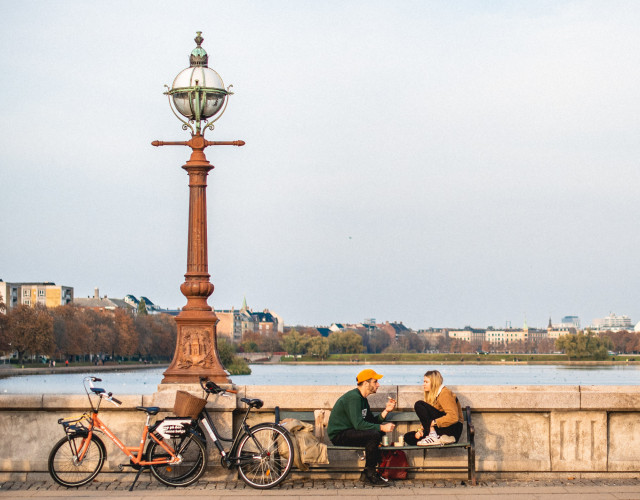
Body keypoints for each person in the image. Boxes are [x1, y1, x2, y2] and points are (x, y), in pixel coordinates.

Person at [327, 368, 397, 487]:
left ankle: (366, 474)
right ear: (365, 383)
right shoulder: (354, 398)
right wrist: (382, 427)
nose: (378, 385)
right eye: (375, 382)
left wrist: (386, 411)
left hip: (350, 431)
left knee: (377, 433)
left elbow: (370, 422)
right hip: (339, 435)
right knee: (375, 434)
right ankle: (371, 474)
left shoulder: (362, 399)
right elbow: (359, 425)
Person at [403, 369, 463, 446]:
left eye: (426, 382)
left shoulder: (445, 393)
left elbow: (453, 417)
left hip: (453, 430)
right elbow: (429, 417)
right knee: (408, 437)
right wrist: (420, 430)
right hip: (439, 429)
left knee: (419, 404)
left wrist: (433, 423)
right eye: (424, 382)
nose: (423, 384)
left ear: (434, 382)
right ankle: (435, 437)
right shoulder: (432, 396)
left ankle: (435, 436)